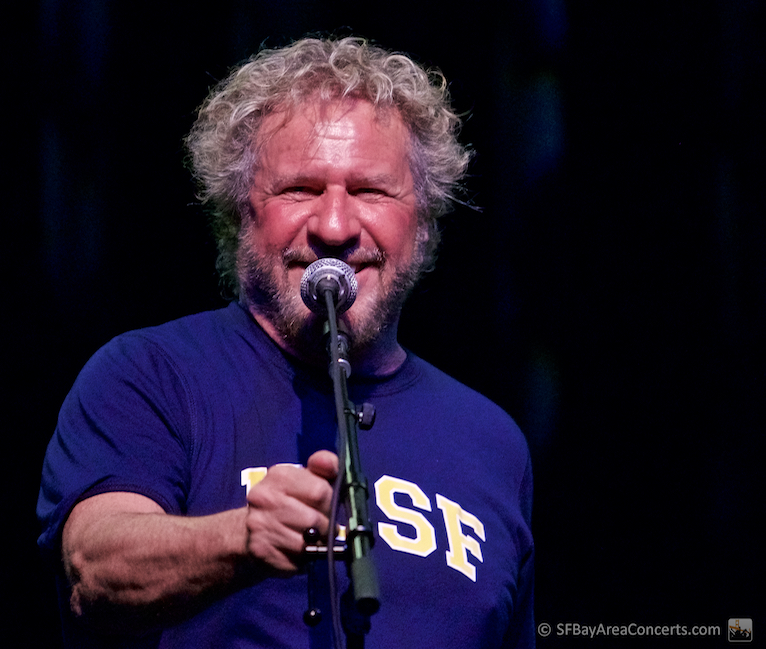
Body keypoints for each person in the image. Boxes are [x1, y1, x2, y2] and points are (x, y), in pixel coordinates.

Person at [37, 36, 534, 648]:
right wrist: (239, 539)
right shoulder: (151, 374)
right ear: (238, 213)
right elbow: (95, 568)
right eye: (298, 189)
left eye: (371, 192)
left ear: (424, 224)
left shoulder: (492, 443)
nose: (334, 227)